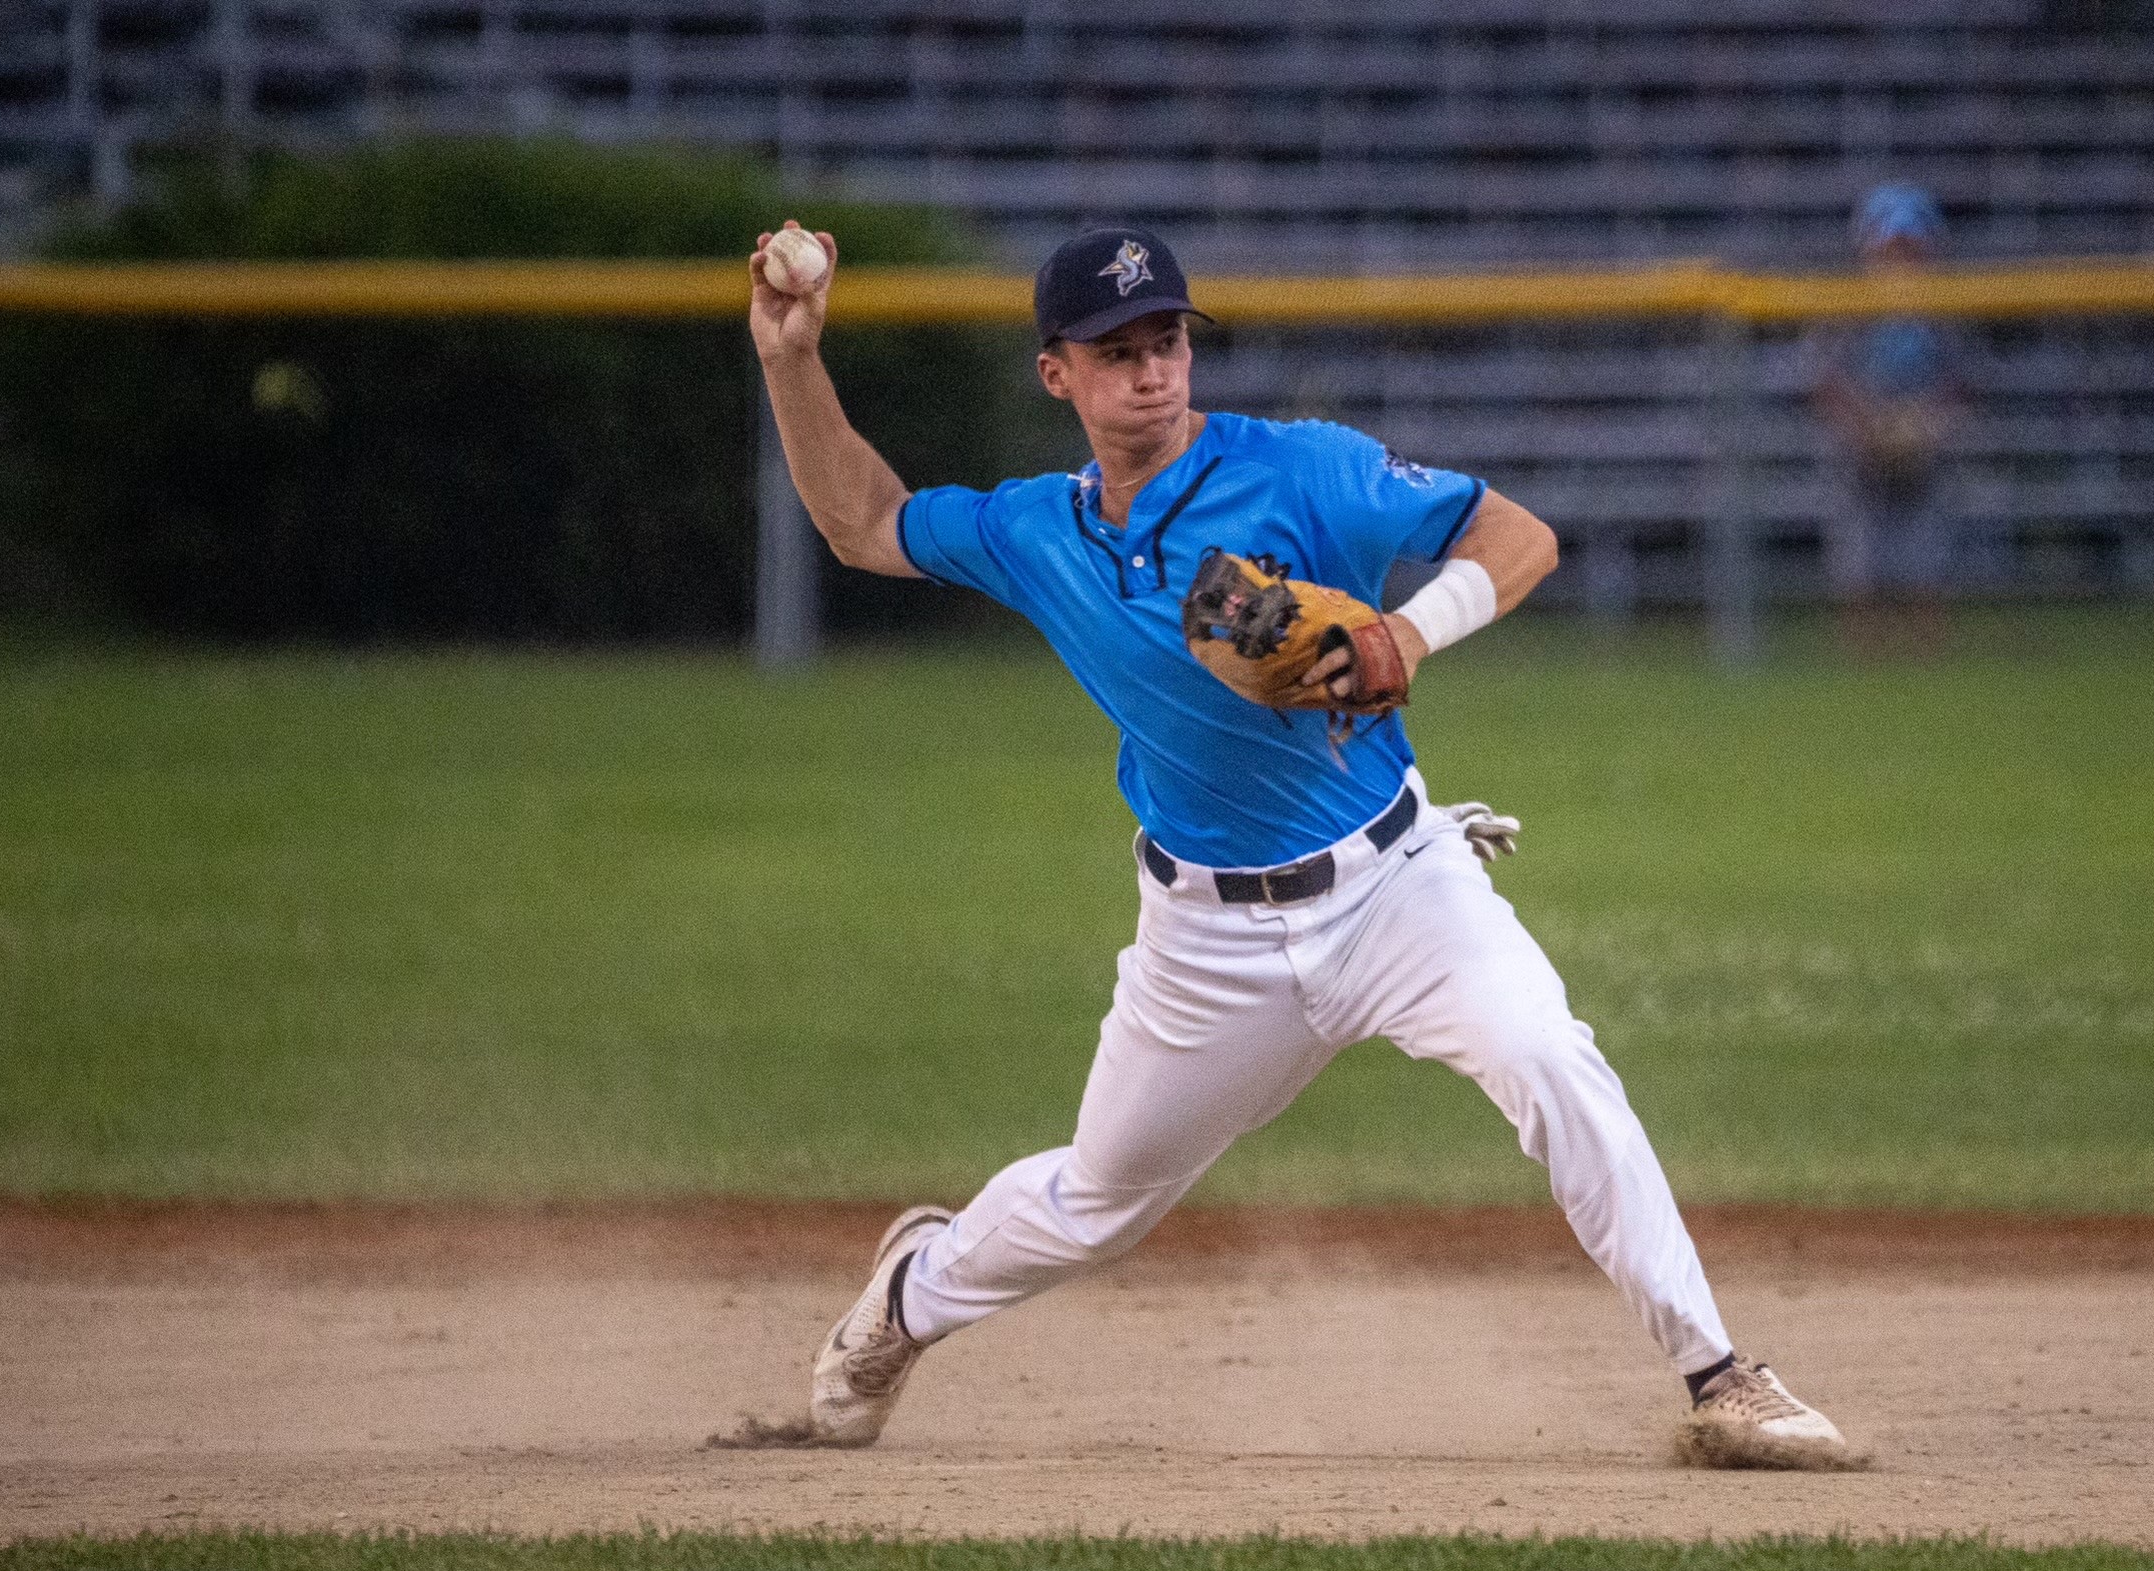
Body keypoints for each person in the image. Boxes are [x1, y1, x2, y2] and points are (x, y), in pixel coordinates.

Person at [744, 221, 1852, 1469]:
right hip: (1203, 940)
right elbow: (863, 521)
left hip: (1395, 886)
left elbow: (1517, 536)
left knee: (1548, 1054)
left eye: (1166, 340)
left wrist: (1409, 633)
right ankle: (908, 1293)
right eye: (1115, 351)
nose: (1151, 370)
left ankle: (1718, 1374)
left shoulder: (1304, 471)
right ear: (1055, 373)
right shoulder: (1032, 532)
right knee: (1098, 1202)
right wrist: (791, 359)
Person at [1812, 184, 1966, 660]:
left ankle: (1926, 662)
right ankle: (1866, 664)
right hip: (1860, 445)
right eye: (1890, 245)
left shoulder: (1949, 305)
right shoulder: (1846, 303)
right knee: (1857, 562)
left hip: (1925, 443)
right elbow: (1823, 379)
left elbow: (1964, 381)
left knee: (1927, 559)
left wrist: (1927, 422)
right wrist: (1868, 424)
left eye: (1910, 245)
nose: (1900, 255)